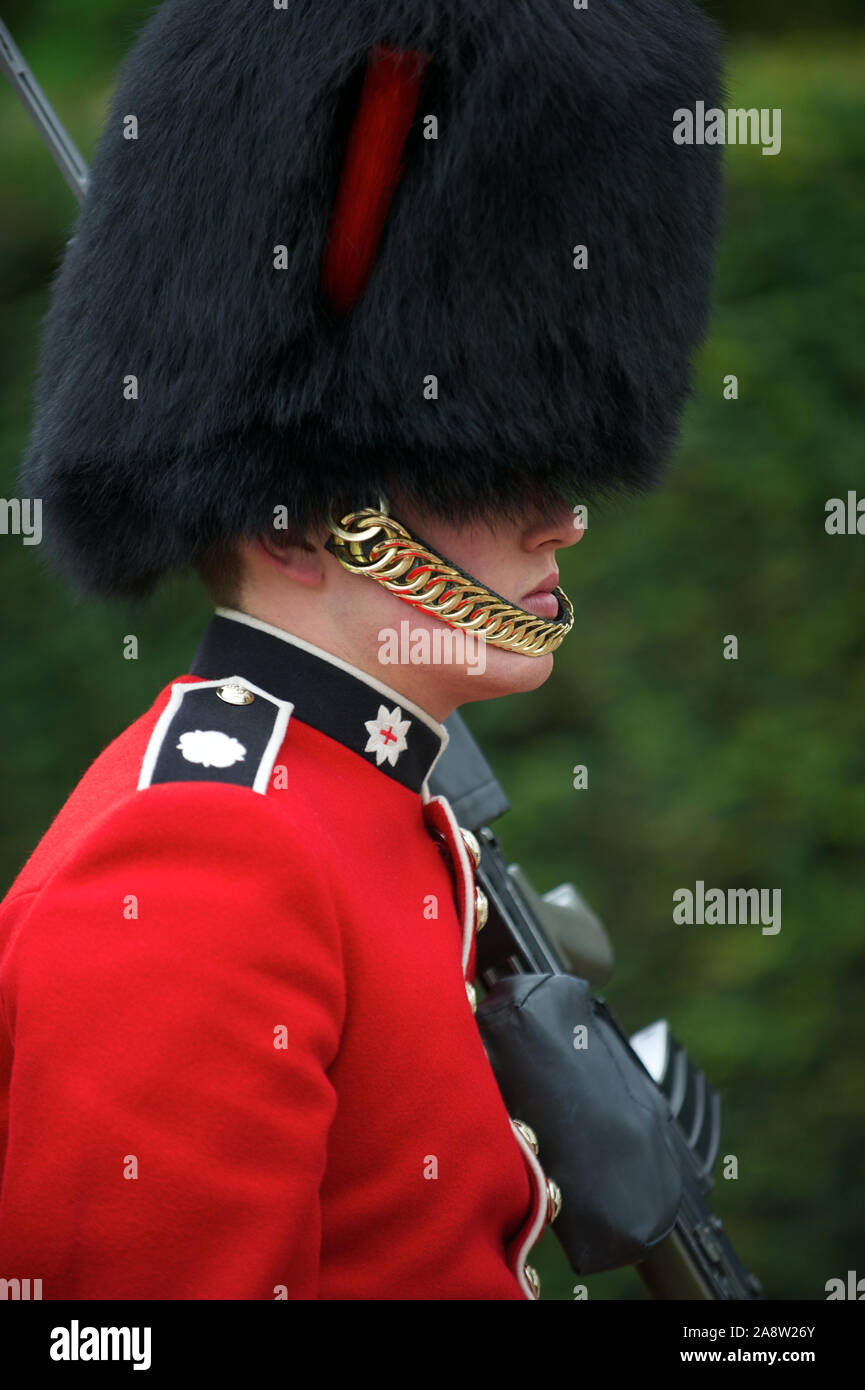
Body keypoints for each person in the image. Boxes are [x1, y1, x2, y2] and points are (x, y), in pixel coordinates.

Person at [0, 0, 723, 1299]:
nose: (562, 513)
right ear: (297, 528)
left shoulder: (393, 812)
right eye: (496, 466)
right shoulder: (198, 861)